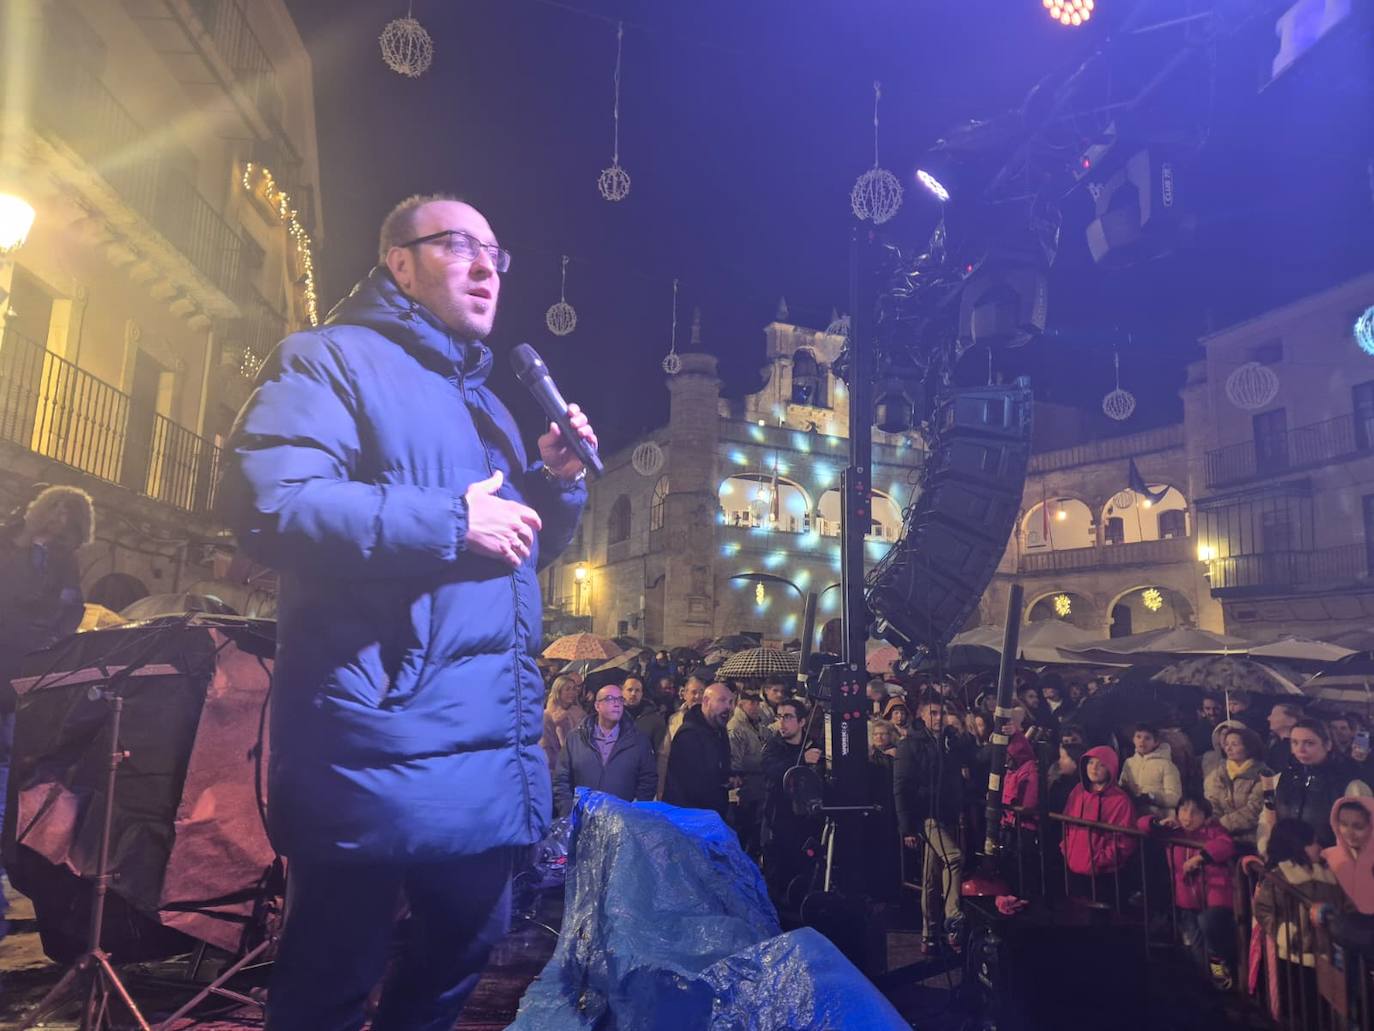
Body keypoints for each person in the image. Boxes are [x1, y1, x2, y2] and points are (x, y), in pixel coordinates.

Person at [220, 193, 596, 1031]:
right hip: (376, 738)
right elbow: (267, 499)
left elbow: (509, 555)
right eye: (459, 246)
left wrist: (553, 486)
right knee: (333, 976)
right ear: (398, 260)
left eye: (496, 255)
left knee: (471, 939)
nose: (484, 267)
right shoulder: (327, 360)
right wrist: (453, 519)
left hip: (481, 749)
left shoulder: (492, 405)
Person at [0, 484, 93, 943]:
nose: (59, 516)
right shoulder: (6, 540)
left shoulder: (63, 562)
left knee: (14, 765)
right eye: (54, 505)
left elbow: (71, 611)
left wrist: (50, 645)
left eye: (69, 511)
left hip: (30, 675)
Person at [1250, 818, 1348, 1014]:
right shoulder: (1279, 876)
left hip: (1325, 954)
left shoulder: (1327, 875)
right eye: (1313, 843)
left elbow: (1343, 904)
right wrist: (1287, 934)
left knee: (1324, 1009)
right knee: (1300, 1007)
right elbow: (1263, 909)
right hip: (1293, 955)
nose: (1319, 847)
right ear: (1298, 845)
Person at [895, 696, 968, 952]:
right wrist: (906, 827)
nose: (939, 718)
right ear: (922, 715)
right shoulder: (910, 745)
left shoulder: (950, 741)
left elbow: (973, 757)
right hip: (925, 815)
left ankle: (929, 933)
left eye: (942, 713)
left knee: (931, 875)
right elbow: (901, 788)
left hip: (945, 812)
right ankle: (953, 920)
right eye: (933, 713)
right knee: (954, 857)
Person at [1147, 796, 1237, 989]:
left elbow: (1226, 845)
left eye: (1194, 812)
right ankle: (1207, 982)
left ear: (1205, 817)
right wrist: (1157, 823)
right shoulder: (1174, 831)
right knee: (1195, 943)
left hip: (1214, 895)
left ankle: (1220, 976)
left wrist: (1201, 858)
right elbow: (1142, 827)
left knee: (1210, 936)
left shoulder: (1213, 831)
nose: (1188, 816)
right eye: (1183, 810)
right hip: (1186, 898)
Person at [1261, 718, 1372, 853]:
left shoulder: (1349, 781)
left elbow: (1363, 832)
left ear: (1328, 745)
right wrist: (1266, 849)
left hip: (1331, 864)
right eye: (1295, 742)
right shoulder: (1284, 777)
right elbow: (1267, 817)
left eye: (1309, 743)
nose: (1300, 749)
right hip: (1289, 861)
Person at [552, 684, 657, 817]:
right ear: (597, 706)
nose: (617, 704)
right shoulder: (576, 738)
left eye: (620, 700)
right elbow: (561, 779)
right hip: (582, 819)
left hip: (622, 822)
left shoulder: (638, 741)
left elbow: (648, 780)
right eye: (609, 699)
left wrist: (634, 813)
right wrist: (568, 812)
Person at [762, 698, 822, 901]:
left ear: (802, 721)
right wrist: (801, 760)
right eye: (779, 717)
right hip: (779, 823)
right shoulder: (773, 746)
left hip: (806, 825)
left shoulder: (814, 745)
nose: (782, 722)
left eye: (788, 717)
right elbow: (773, 770)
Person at [1061, 746, 1138, 897]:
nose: (1094, 768)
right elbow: (1066, 824)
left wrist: (1102, 859)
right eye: (1090, 763)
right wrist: (1066, 848)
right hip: (1073, 865)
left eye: (1101, 764)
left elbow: (1126, 840)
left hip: (1104, 874)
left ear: (1111, 769)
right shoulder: (1078, 791)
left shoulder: (1121, 801)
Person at [662, 682, 736, 819]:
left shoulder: (719, 730)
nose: (728, 707)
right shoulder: (689, 735)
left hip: (713, 815)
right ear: (706, 701)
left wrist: (730, 777)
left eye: (731, 702)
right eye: (722, 701)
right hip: (693, 818)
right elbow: (692, 785)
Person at [1203, 724, 1269, 847]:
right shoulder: (1221, 772)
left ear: (1248, 747)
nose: (1228, 748)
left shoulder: (1262, 774)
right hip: (1220, 835)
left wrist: (1221, 824)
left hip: (1252, 838)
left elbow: (1254, 810)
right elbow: (1213, 800)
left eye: (1234, 744)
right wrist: (1211, 820)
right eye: (1227, 744)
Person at [728, 687, 769, 855]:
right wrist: (736, 792)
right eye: (752, 703)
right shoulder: (736, 728)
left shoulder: (757, 723)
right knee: (743, 834)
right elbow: (734, 763)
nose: (756, 706)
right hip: (745, 790)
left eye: (758, 702)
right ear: (741, 703)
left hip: (757, 788)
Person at [1119, 723, 1183, 819]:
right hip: (1131, 815)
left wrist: (1152, 797)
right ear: (1133, 739)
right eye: (1138, 737)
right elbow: (1121, 786)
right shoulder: (1129, 763)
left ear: (1156, 742)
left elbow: (1175, 798)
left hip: (1158, 818)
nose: (1142, 741)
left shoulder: (1167, 765)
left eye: (1147, 738)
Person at [1323, 796, 1374, 914]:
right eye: (1343, 824)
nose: (1349, 832)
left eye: (1358, 827)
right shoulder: (1327, 857)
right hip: (1340, 927)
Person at [541, 674, 586, 772]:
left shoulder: (579, 713)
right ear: (558, 691)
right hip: (553, 768)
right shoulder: (547, 716)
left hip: (577, 766)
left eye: (574, 689)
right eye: (568, 689)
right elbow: (545, 746)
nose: (572, 692)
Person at [622, 676, 666, 755]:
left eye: (637, 690)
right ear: (622, 692)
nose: (633, 694)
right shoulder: (613, 716)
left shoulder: (654, 719)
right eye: (630, 690)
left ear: (642, 693)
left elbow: (660, 752)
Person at [1265, 702, 1303, 774]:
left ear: (1291, 721)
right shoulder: (1272, 741)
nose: (1269, 718)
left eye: (1275, 715)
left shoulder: (1294, 749)